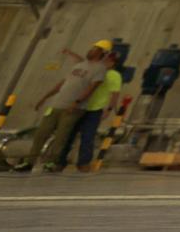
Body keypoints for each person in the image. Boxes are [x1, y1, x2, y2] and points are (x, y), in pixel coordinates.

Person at [28, 39, 120, 172]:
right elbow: (65, 82)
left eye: (96, 49)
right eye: (92, 48)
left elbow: (97, 89)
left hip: (88, 109)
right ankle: (34, 161)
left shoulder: (104, 71)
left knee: (76, 136)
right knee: (44, 133)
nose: (92, 50)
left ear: (104, 54)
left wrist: (108, 108)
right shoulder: (81, 65)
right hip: (61, 105)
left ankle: (77, 163)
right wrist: (46, 97)